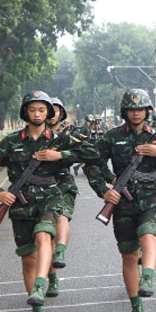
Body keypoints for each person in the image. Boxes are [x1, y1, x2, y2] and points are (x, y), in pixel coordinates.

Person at [0, 91, 92, 312]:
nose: (37, 114)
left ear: (48, 112)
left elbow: (93, 153)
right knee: (28, 258)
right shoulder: (12, 141)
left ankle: (42, 283)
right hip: (20, 203)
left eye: (41, 110)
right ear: (25, 113)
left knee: (44, 235)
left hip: (50, 197)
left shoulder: (59, 139)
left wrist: (59, 155)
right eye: (32, 110)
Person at [84, 88, 156, 312]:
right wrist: (104, 188)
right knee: (128, 255)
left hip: (151, 196)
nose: (136, 113)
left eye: (140, 109)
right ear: (125, 111)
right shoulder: (112, 136)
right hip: (123, 200)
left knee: (148, 235)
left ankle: (147, 278)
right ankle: (136, 306)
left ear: (147, 111)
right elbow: (92, 163)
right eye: (131, 109)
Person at [43, 96, 98, 298]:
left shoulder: (71, 133)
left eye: (55, 109)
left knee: (62, 218)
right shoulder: (32, 135)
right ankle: (53, 279)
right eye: (47, 109)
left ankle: (61, 250)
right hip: (38, 189)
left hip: (63, 183)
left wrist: (61, 156)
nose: (51, 113)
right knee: (45, 235)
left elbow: (91, 153)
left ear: (61, 113)